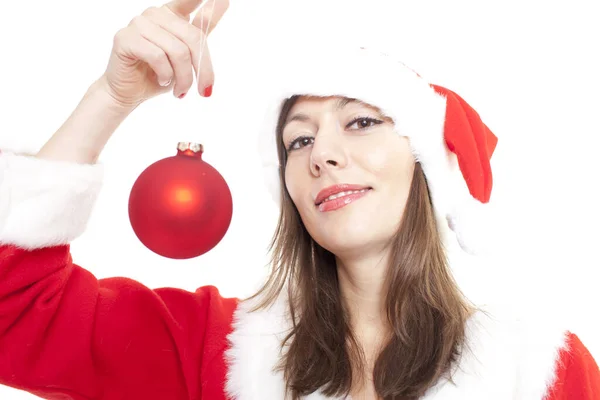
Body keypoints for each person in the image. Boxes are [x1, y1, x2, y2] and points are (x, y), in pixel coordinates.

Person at [0, 0, 599, 399]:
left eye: (361, 123)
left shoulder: (544, 370)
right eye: (299, 139)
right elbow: (15, 315)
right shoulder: (215, 350)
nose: (322, 155)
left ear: (426, 164)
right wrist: (112, 94)